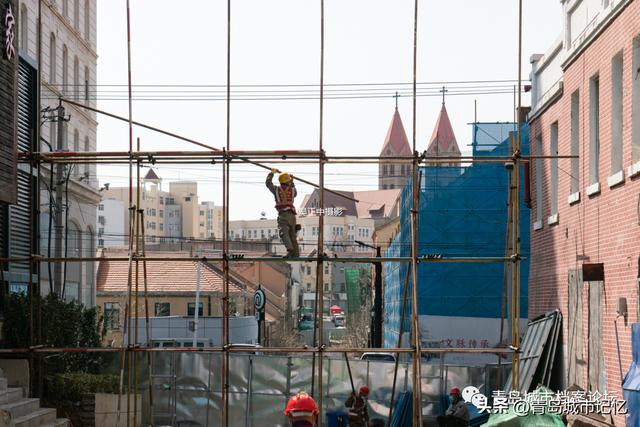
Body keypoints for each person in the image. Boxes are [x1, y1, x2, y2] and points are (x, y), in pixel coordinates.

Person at [266, 169, 300, 258]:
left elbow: (268, 184)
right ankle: (296, 254)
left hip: (283, 215)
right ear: (288, 181)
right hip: (292, 216)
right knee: (292, 235)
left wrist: (271, 173)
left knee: (284, 233)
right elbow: (294, 191)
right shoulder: (293, 190)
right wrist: (292, 181)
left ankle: (290, 250)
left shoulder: (276, 190)